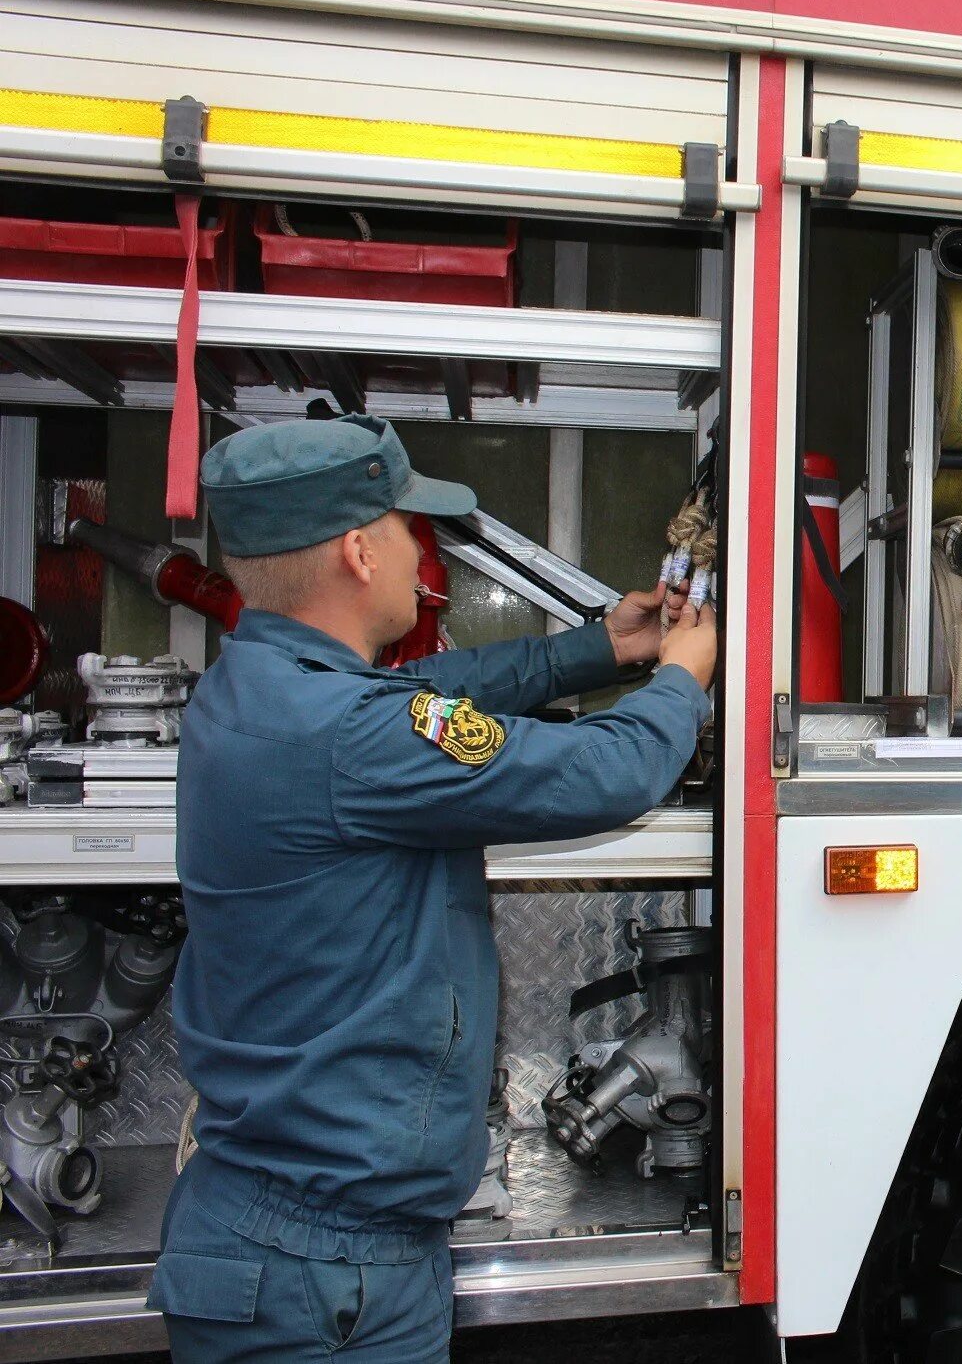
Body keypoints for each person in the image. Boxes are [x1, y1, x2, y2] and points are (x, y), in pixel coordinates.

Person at [147, 414, 717, 1360]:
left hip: (279, 1240)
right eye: (413, 527)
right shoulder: (350, 738)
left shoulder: (253, 688)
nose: (425, 553)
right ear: (358, 551)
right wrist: (681, 680)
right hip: (328, 1282)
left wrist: (600, 650)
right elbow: (606, 773)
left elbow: (434, 697)